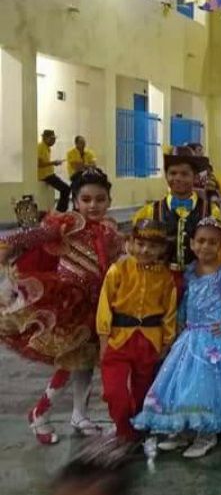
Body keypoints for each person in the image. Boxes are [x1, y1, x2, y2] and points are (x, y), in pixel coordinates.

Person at [133, 217, 221, 459]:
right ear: (191, 243)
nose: (205, 247)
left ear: (220, 245)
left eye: (212, 242)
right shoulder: (189, 271)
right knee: (183, 385)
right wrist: (178, 327)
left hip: (214, 340)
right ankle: (184, 430)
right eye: (200, 241)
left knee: (204, 387)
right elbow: (185, 303)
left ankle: (206, 434)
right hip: (189, 336)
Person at [0, 170, 123, 444]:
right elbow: (35, 236)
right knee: (69, 362)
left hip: (96, 305)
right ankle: (39, 413)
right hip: (68, 304)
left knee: (87, 363)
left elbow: (116, 261)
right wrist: (8, 247)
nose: (93, 205)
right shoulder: (68, 222)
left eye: (100, 199)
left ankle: (79, 415)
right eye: (87, 199)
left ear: (109, 200)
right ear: (76, 201)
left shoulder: (110, 229)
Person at [96, 219, 177, 443]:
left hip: (150, 341)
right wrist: (104, 339)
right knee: (115, 392)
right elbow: (105, 305)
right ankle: (123, 430)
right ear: (130, 243)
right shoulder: (118, 270)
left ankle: (137, 433)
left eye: (152, 246)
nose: (145, 250)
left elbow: (169, 312)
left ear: (162, 249)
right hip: (118, 339)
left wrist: (167, 343)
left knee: (144, 393)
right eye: (140, 244)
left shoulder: (165, 277)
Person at [132, 150, 221, 274]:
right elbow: (135, 247)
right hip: (161, 279)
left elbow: (220, 248)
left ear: (195, 177)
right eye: (173, 173)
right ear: (166, 175)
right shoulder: (149, 211)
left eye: (184, 174)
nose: (178, 178)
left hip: (199, 278)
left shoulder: (211, 211)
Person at [37, 129, 70, 212]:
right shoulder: (40, 147)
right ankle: (60, 211)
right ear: (45, 138)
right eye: (51, 139)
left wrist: (53, 163)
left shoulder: (47, 148)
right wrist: (53, 163)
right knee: (66, 189)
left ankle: (60, 210)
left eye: (54, 139)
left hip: (49, 174)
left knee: (65, 189)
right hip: (45, 175)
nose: (53, 141)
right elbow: (39, 164)